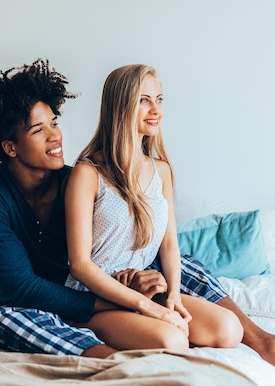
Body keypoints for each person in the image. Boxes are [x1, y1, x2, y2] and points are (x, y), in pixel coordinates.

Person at [0, 58, 275, 384]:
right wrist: (135, 303)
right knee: (8, 321)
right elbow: (22, 287)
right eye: (37, 129)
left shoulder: (74, 178)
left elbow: (121, 246)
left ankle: (268, 345)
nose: (55, 135)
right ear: (9, 146)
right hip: (28, 303)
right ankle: (121, 366)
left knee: (181, 264)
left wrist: (143, 282)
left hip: (104, 288)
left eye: (54, 122)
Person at [63, 64, 243, 352]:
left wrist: (174, 296)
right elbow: (80, 265)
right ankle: (90, 327)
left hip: (144, 288)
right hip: (96, 299)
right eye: (144, 100)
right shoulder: (88, 173)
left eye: (159, 100)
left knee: (229, 328)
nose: (156, 110)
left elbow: (169, 244)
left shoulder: (162, 170)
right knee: (172, 340)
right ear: (120, 106)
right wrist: (146, 307)